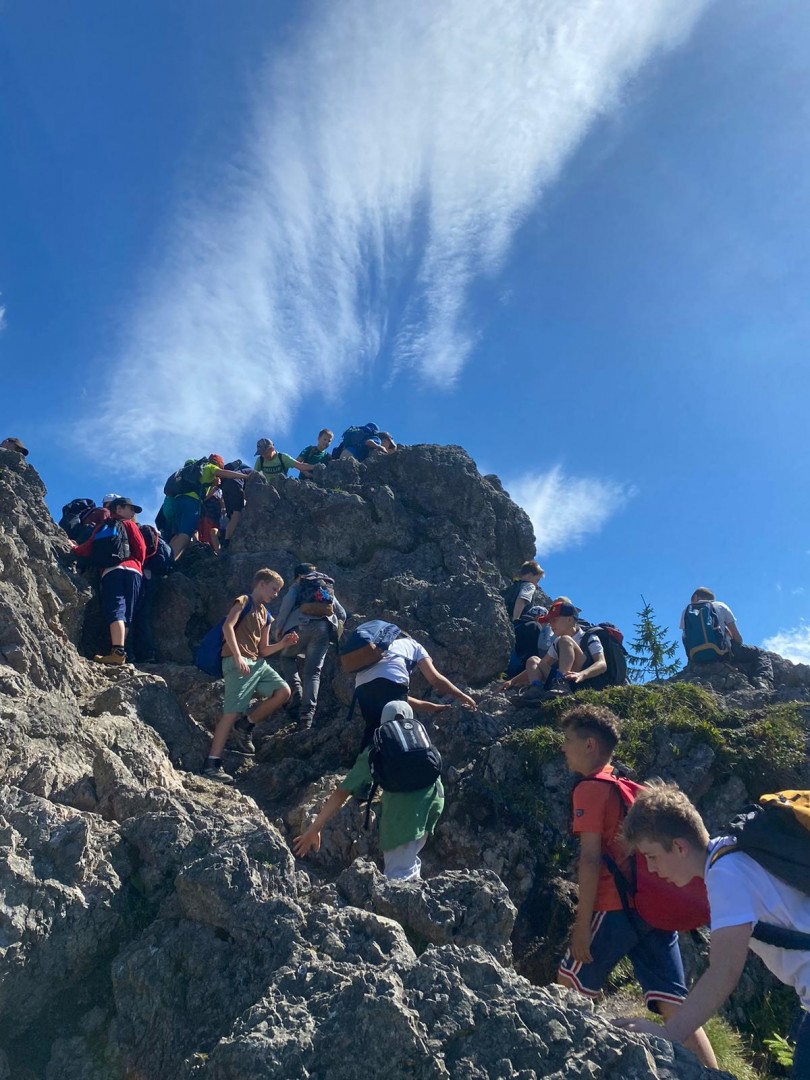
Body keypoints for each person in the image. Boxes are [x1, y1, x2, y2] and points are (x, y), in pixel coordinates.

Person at [557, 705, 717, 1069]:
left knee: (567, 989)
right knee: (677, 1008)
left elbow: (590, 860)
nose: (563, 747)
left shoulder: (590, 789)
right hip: (652, 907)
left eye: (568, 740)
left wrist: (582, 926)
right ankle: (714, 1075)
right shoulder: (628, 784)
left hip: (613, 909)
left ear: (590, 745)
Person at [615, 781, 810, 1077]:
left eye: (652, 856)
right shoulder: (737, 850)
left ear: (679, 847)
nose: (652, 869)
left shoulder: (725, 875)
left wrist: (668, 1034)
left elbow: (724, 972)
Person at [293, 700, 443, 880]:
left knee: (398, 875)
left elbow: (342, 791)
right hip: (434, 801)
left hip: (405, 814)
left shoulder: (377, 749)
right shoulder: (420, 740)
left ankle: (403, 895)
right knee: (410, 855)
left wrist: (315, 827)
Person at [201, 568, 299, 783]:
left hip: (257, 663)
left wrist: (283, 644)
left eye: (278, 591)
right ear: (261, 584)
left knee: (283, 691)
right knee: (231, 712)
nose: (276, 594)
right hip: (238, 662)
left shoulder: (266, 615)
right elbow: (228, 627)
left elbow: (263, 650)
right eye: (274, 589)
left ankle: (246, 725)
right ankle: (211, 764)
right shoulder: (243, 601)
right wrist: (237, 656)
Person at [353, 629, 476, 751]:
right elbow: (435, 679)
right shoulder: (414, 645)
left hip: (362, 688)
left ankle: (365, 760)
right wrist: (462, 696)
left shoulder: (383, 649)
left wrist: (432, 707)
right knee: (398, 733)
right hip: (391, 683)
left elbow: (396, 697)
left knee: (373, 730)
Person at [72, 497, 147, 665]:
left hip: (111, 571)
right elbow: (141, 549)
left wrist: (74, 547)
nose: (133, 512)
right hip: (134, 572)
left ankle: (117, 652)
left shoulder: (102, 527)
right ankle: (120, 651)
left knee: (117, 608)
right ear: (118, 509)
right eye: (130, 508)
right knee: (128, 613)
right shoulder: (129, 525)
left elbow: (88, 548)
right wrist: (137, 564)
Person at [275, 562, 346, 729]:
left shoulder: (299, 584)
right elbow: (342, 614)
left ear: (297, 576)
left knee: (286, 657)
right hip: (323, 630)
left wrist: (279, 628)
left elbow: (286, 605)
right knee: (313, 673)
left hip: (300, 628)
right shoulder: (325, 586)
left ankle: (296, 690)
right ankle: (307, 716)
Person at [500, 599, 607, 697]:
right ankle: (536, 690)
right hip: (563, 682)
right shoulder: (557, 641)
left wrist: (582, 674)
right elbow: (541, 664)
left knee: (565, 639)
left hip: (583, 682)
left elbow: (602, 664)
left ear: (569, 620)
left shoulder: (588, 637)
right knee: (533, 660)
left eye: (554, 620)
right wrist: (512, 681)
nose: (550, 624)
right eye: (549, 621)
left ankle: (561, 685)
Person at [681, 587, 773, 690]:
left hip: (696, 658)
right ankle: (762, 680)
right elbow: (738, 639)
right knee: (761, 653)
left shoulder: (686, 611)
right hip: (721, 655)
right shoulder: (720, 606)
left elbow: (685, 638)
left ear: (695, 597)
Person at [166, 456, 250, 561]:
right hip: (191, 502)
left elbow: (204, 497)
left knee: (178, 534)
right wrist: (245, 476)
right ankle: (168, 563)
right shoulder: (209, 467)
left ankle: (165, 558)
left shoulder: (195, 472)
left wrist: (213, 485)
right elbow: (225, 473)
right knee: (185, 535)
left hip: (178, 501)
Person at [219, 460, 253, 552]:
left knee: (231, 516)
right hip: (236, 484)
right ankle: (230, 540)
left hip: (225, 487)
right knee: (237, 512)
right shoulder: (253, 472)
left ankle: (226, 540)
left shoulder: (238, 470)